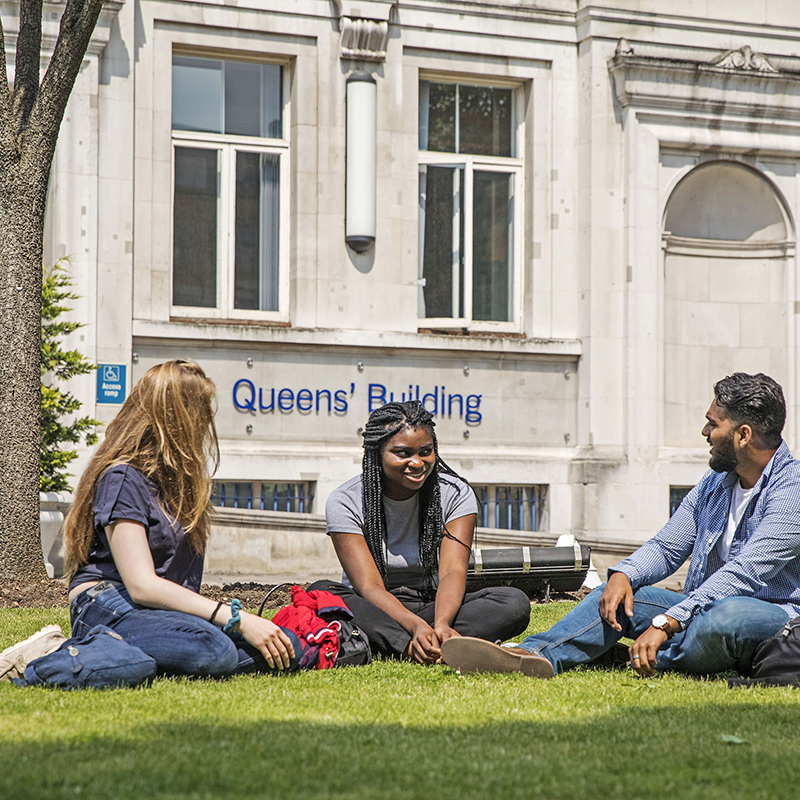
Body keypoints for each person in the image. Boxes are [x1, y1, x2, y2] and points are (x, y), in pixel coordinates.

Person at [442, 372, 800, 679]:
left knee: (725, 617)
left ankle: (639, 659)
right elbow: (666, 547)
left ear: (743, 435)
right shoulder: (716, 482)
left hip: (769, 619)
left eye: (713, 423)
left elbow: (744, 574)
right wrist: (624, 576)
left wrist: (667, 622)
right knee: (618, 595)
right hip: (699, 610)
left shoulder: (792, 490)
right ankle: (533, 655)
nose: (704, 431)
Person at [61, 360, 299, 679]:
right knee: (215, 651)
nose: (206, 423)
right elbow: (141, 585)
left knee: (287, 645)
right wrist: (236, 618)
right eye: (201, 411)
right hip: (106, 603)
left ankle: (143, 658)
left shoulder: (178, 483)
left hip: (158, 613)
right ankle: (74, 652)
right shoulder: (123, 477)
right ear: (176, 418)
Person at [311, 400, 530, 664]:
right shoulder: (346, 500)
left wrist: (442, 622)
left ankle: (422, 640)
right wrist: (414, 626)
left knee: (513, 602)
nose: (417, 463)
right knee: (322, 594)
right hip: (374, 608)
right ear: (376, 453)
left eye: (425, 452)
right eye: (402, 453)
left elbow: (452, 571)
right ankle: (416, 646)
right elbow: (369, 586)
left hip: (431, 603)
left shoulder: (455, 494)